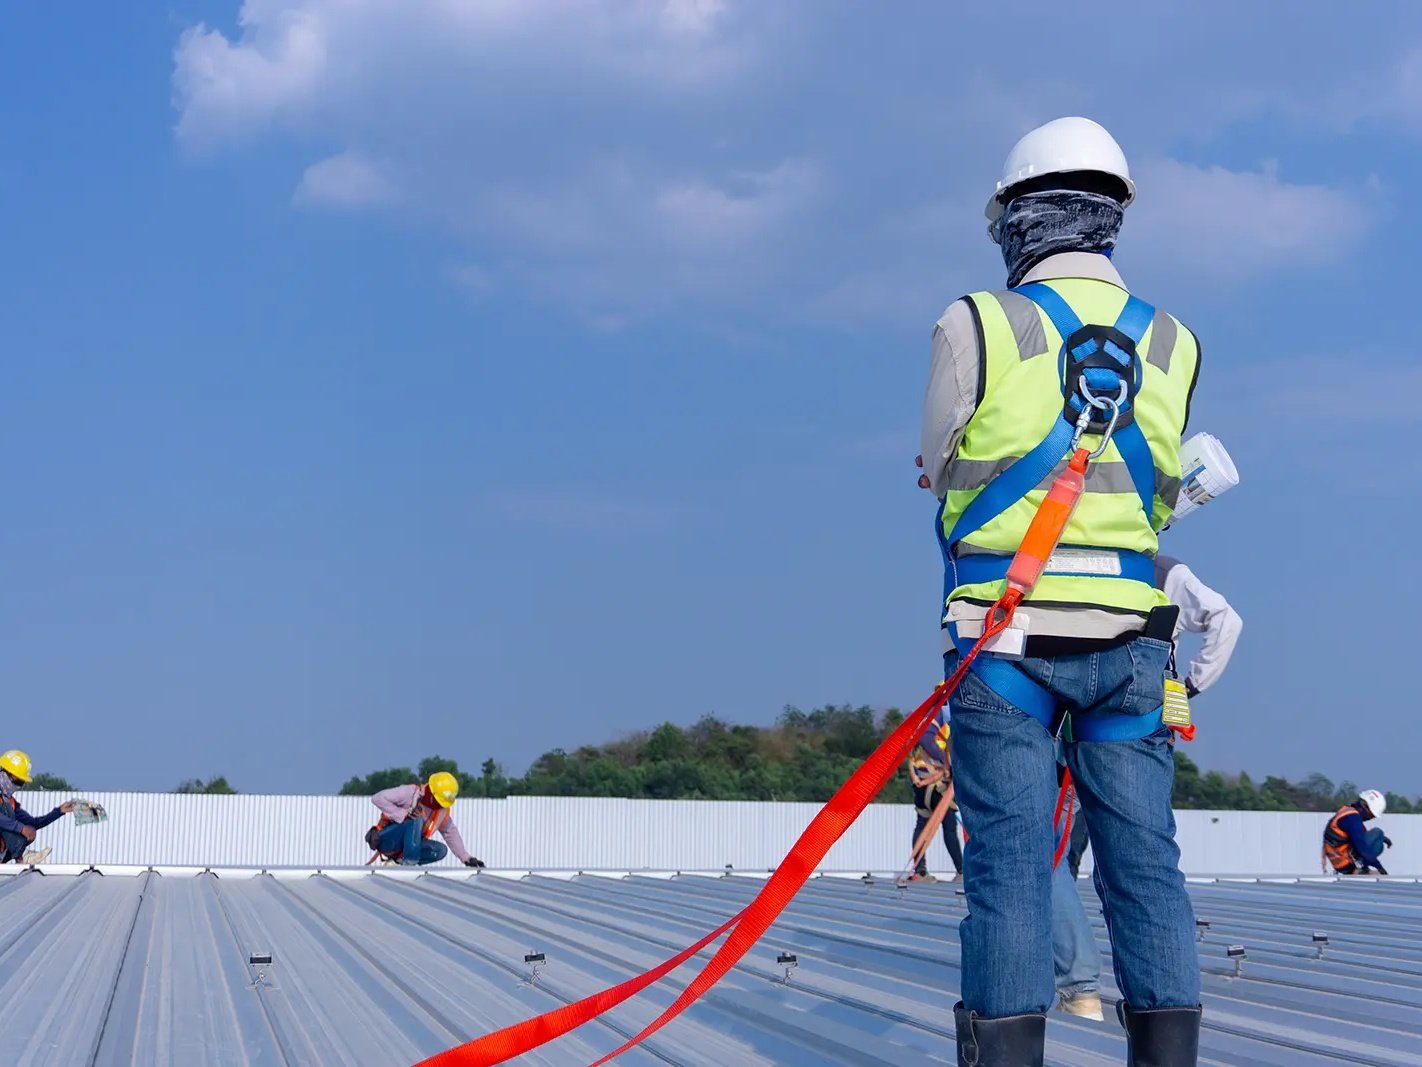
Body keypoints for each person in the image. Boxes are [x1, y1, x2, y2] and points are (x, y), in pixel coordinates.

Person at [921, 116, 1204, 1065]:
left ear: (1016, 216)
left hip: (1004, 639)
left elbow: (940, 465)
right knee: (1146, 866)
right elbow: (1158, 497)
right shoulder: (1174, 340)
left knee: (1009, 870)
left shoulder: (977, 323)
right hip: (1131, 645)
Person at [1067, 555, 1242, 876]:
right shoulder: (1156, 569)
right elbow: (1225, 620)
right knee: (1131, 843)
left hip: (1079, 712)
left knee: (1071, 839)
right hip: (1129, 718)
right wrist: (1189, 686)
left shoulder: (1159, 572)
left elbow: (1226, 620)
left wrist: (1190, 686)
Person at [366, 771, 486, 868]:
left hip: (406, 850)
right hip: (388, 840)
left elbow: (451, 833)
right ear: (431, 793)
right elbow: (378, 798)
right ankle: (408, 864)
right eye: (438, 802)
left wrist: (466, 858)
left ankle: (398, 863)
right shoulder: (410, 793)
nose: (440, 806)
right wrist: (403, 814)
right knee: (416, 818)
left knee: (440, 850)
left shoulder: (441, 812)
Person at [907, 712, 963, 882]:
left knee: (922, 825)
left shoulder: (923, 721)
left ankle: (920, 870)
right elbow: (929, 741)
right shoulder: (941, 720)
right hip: (936, 785)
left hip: (922, 783)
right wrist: (949, 766)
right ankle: (961, 870)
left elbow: (913, 757)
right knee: (949, 827)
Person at [0, 750, 76, 864]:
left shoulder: (10, 803)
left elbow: (33, 823)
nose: (16, 786)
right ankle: (22, 856)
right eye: (16, 780)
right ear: (3, 773)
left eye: (20, 783)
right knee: (9, 818)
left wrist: (59, 811)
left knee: (28, 829)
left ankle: (16, 856)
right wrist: (20, 828)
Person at [1323, 790, 1391, 876]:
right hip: (1345, 862)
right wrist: (1379, 866)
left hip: (1339, 862)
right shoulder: (1353, 818)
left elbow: (1355, 834)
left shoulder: (1347, 812)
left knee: (1379, 840)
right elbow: (1361, 844)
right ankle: (1359, 866)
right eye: (1371, 816)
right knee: (1377, 833)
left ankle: (1360, 868)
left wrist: (1383, 838)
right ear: (1366, 807)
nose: (1369, 819)